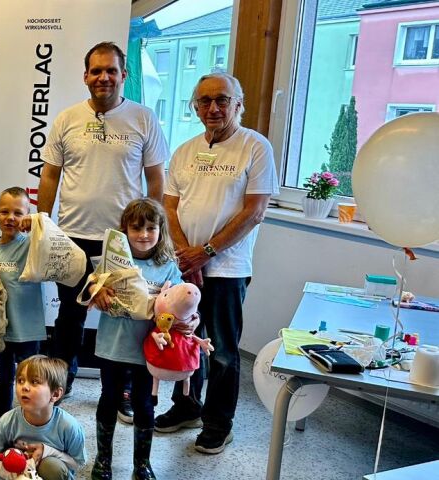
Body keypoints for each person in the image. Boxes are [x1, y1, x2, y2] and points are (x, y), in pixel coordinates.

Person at [34, 41, 169, 391]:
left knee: (129, 316)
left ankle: (123, 389)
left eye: (111, 70)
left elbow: (156, 179)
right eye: (96, 71)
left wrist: (153, 233)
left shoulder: (143, 118)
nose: (103, 77)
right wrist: (42, 225)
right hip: (72, 236)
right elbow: (50, 175)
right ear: (85, 76)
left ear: (124, 75)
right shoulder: (67, 118)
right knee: (70, 317)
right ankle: (59, 385)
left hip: (122, 241)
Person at [157, 72, 278, 455]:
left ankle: (218, 424)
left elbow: (254, 211)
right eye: (205, 101)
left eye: (222, 100)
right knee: (184, 338)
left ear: (238, 105)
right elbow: (170, 206)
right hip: (185, 264)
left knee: (223, 350)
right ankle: (187, 407)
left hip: (228, 269)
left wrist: (206, 252)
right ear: (195, 107)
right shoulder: (185, 151)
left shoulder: (255, 147)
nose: (213, 108)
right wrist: (184, 253)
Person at [88, 199, 186, 480]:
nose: (144, 234)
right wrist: (99, 289)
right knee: (109, 398)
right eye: (136, 228)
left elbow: (182, 298)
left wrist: (189, 319)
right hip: (113, 346)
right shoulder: (113, 260)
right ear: (125, 230)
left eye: (151, 228)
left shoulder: (167, 266)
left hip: (149, 350)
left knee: (145, 404)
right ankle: (103, 460)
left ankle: (142, 464)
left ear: (160, 230)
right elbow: (93, 283)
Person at [0, 187, 46, 446]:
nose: (10, 218)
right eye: (5, 212)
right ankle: (0, 428)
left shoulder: (31, 245)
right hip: (2, 330)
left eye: (18, 213)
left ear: (26, 217)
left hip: (28, 328)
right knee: (3, 378)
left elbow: (51, 235)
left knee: (33, 381)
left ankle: (32, 430)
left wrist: (36, 222)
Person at [0, 355, 87, 480]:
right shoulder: (7, 421)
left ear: (55, 394)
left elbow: (79, 463)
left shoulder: (69, 426)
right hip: (15, 476)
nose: (24, 387)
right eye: (20, 380)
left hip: (50, 473)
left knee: (51, 466)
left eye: (34, 382)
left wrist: (47, 451)